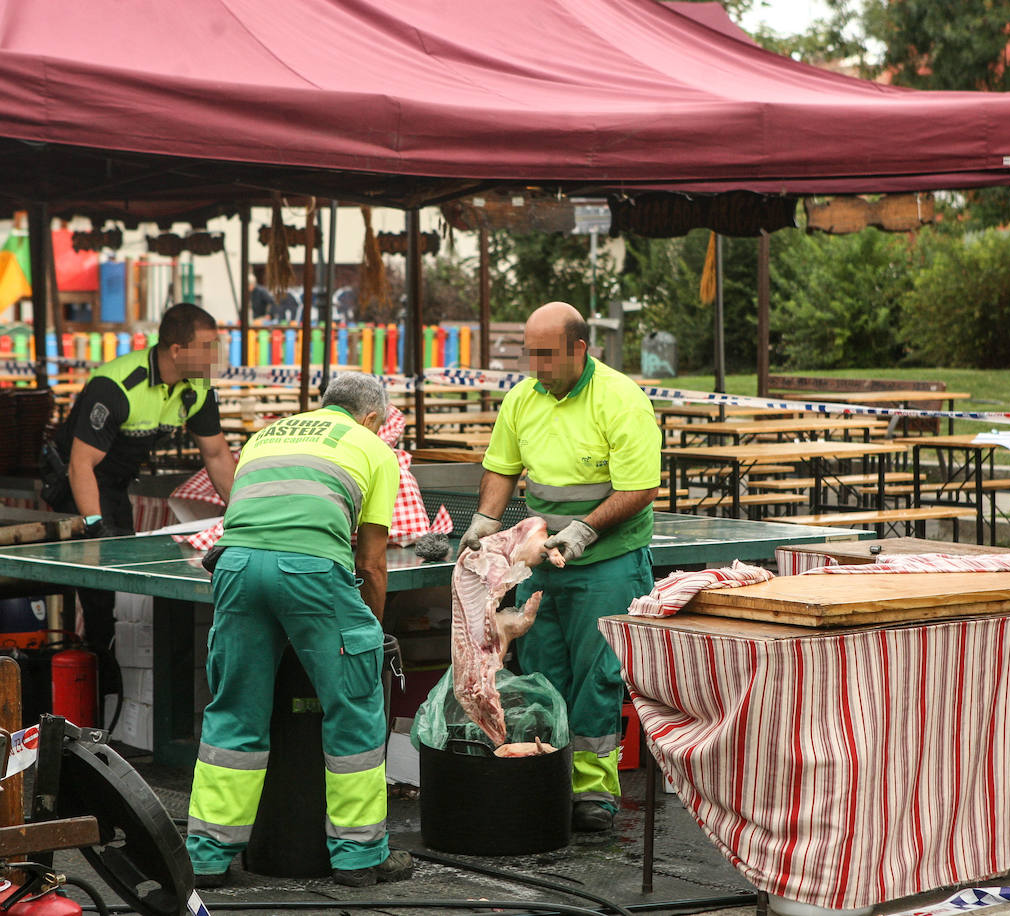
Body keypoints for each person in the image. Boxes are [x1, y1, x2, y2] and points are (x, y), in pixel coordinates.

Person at [185, 372, 411, 889]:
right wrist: (368, 638)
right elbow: (372, 563)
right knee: (353, 710)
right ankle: (358, 859)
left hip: (235, 569)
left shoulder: (267, 435)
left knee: (234, 712)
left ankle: (207, 857)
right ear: (373, 418)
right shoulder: (375, 450)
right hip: (311, 573)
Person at [460, 301, 661, 833]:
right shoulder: (522, 400)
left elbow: (640, 486)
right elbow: (502, 469)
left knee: (597, 677)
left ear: (579, 348)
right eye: (532, 355)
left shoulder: (621, 400)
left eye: (548, 355)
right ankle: (549, 774)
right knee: (545, 673)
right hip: (542, 562)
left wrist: (585, 530)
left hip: (607, 563)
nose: (538, 366)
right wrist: (485, 521)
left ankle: (593, 789)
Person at [43, 302, 235, 694]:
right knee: (98, 583)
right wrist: (94, 527)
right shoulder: (115, 386)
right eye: (207, 346)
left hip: (114, 483)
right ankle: (96, 676)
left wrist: (243, 512)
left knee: (124, 578)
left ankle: (117, 670)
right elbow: (80, 466)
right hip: (73, 481)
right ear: (177, 351)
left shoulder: (197, 388)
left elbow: (216, 455)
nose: (216, 356)